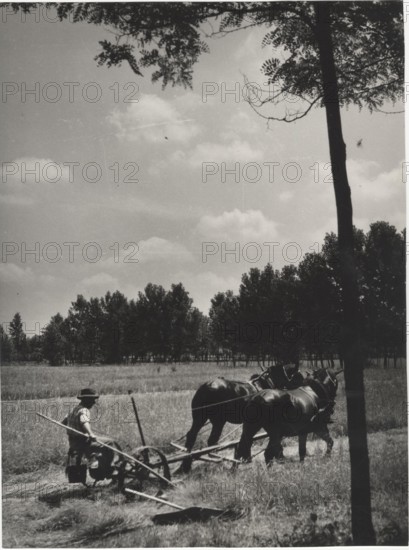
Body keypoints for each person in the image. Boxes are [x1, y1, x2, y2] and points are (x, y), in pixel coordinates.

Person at [62, 388, 100, 478]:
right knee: (110, 443)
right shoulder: (84, 410)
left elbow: (63, 422)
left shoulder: (74, 409)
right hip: (83, 442)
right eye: (92, 400)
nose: (94, 402)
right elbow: (84, 422)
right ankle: (107, 470)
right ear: (86, 400)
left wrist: (74, 426)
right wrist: (90, 433)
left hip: (73, 442)